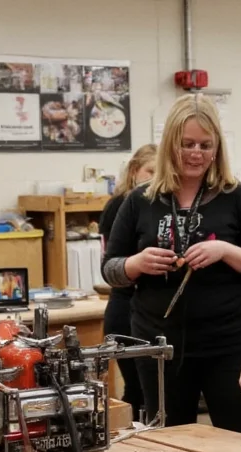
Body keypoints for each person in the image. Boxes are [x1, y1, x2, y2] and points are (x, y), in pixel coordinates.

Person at [102, 93, 241, 436]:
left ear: (217, 149)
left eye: (205, 145)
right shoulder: (140, 201)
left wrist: (226, 251)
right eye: (187, 144)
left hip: (230, 344)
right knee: (171, 442)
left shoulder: (236, 197)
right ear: (169, 145)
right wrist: (136, 263)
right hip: (159, 347)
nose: (196, 153)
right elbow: (111, 269)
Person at [98, 143, 156, 421]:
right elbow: (113, 264)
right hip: (126, 308)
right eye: (150, 171)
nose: (155, 178)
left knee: (145, 391)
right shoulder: (123, 205)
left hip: (141, 309)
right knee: (138, 391)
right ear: (134, 171)